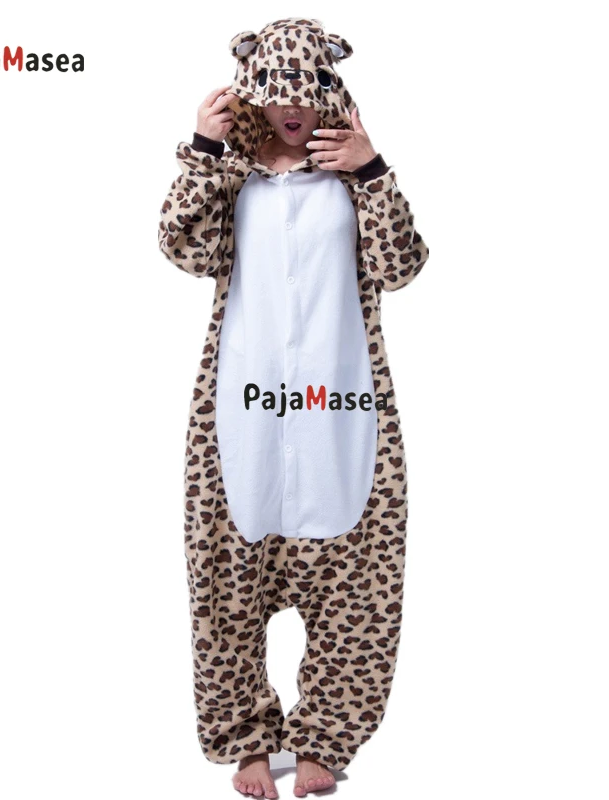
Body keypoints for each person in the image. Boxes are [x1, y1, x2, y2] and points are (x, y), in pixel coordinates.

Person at [157, 18, 430, 798]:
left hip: (342, 410)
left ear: (327, 91)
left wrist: (371, 169)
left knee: (357, 583)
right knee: (225, 586)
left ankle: (326, 738)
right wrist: (204, 150)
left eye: (305, 95)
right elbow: (183, 248)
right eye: (276, 95)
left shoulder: (351, 173)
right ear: (252, 92)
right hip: (241, 411)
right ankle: (247, 743)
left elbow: (402, 265)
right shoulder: (233, 173)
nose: (292, 110)